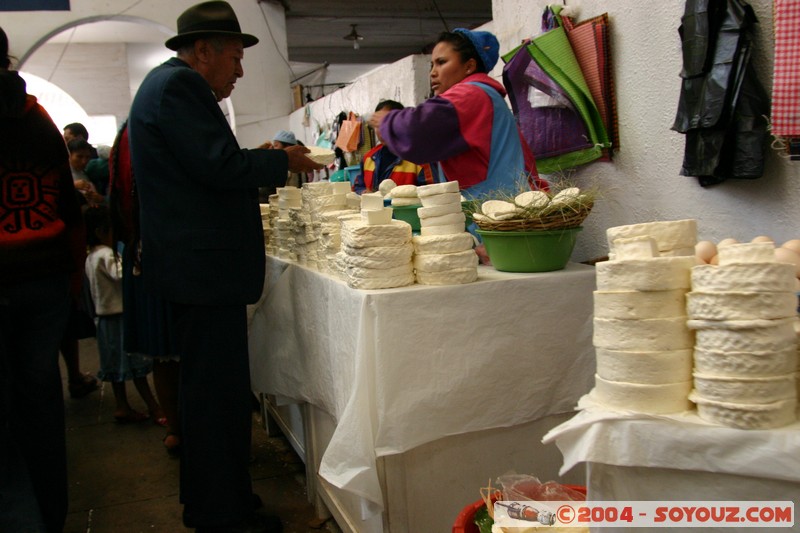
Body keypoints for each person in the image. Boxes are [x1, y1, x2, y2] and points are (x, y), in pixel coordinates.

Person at [128, 2, 322, 531]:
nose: (239, 70)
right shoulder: (179, 88)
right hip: (202, 272)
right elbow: (218, 166)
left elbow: (203, 163)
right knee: (215, 398)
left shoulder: (169, 87)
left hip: (196, 271)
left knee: (208, 394)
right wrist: (283, 159)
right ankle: (222, 514)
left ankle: (216, 497)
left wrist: (259, 157)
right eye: (235, 58)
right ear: (204, 51)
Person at [0, 25, 85, 533]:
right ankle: (50, 513)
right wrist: (72, 279)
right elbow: (68, 207)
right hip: (45, 276)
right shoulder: (37, 118)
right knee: (39, 398)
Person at [369, 28, 549, 199]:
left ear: (469, 66)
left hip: (502, 211)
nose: (433, 73)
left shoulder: (471, 95)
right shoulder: (484, 96)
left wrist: (388, 121)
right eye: (432, 65)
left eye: (442, 62)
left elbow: (418, 130)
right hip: (497, 206)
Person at [109, 120, 181, 456]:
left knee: (164, 355)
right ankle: (183, 428)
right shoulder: (150, 132)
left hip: (143, 252)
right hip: (158, 255)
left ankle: (178, 429)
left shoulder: (130, 135)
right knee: (172, 353)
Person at [83, 204, 164, 424]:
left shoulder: (90, 256)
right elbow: (120, 275)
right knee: (135, 367)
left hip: (103, 319)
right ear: (102, 231)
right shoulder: (106, 255)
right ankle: (155, 408)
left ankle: (122, 405)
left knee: (114, 366)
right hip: (117, 317)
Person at [354, 99, 437, 194]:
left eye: (385, 124)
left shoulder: (419, 159)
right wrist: (364, 192)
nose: (381, 131)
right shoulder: (368, 158)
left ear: (400, 125)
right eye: (377, 125)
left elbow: (431, 193)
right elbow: (358, 186)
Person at [68, 137, 104, 206]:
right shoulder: (59, 173)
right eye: (79, 157)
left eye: (87, 157)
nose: (84, 161)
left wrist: (99, 198)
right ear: (69, 155)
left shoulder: (86, 174)